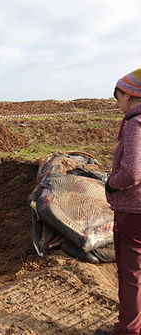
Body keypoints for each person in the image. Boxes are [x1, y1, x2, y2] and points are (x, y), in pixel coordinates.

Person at [96, 69, 141, 335]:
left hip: (133, 213)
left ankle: (128, 331)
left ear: (129, 94)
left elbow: (133, 172)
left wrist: (111, 184)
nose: (116, 103)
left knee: (131, 275)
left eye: (117, 97)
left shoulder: (136, 125)